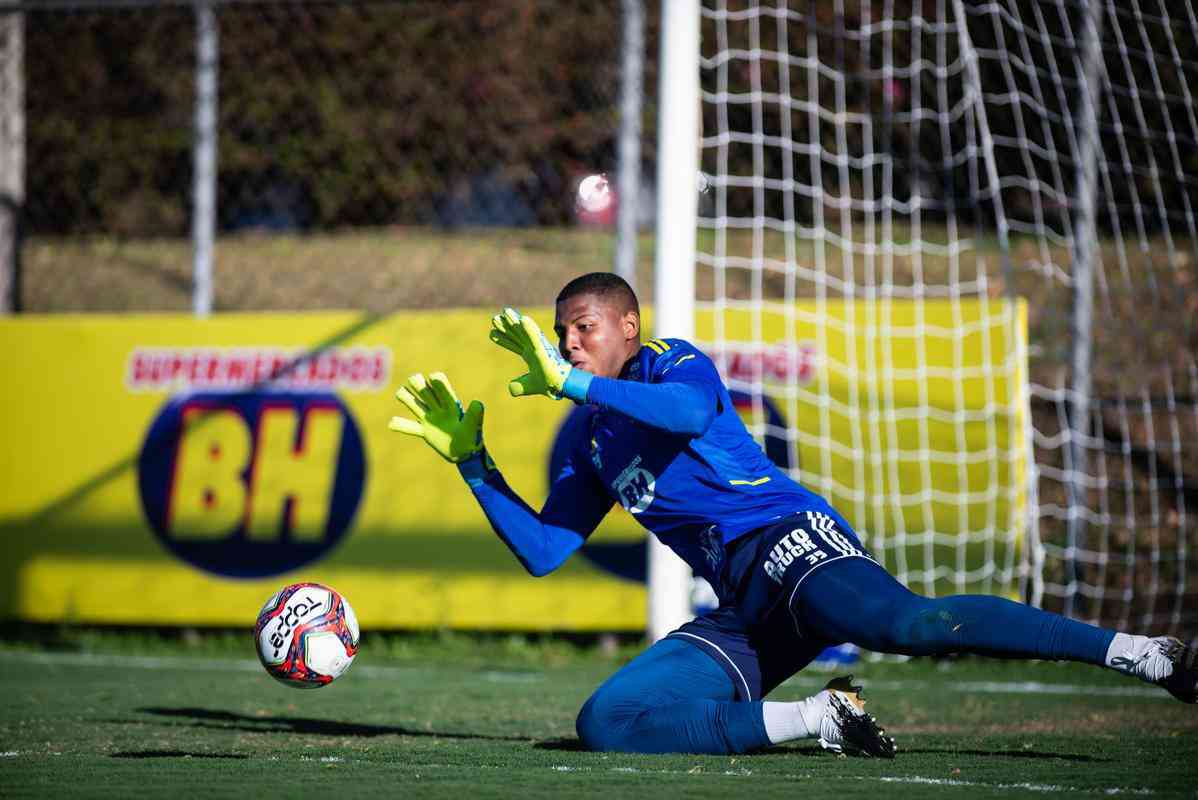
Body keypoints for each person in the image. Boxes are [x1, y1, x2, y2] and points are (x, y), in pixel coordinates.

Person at [387, 272, 1196, 757]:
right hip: (747, 607)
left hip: (793, 546)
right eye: (562, 335)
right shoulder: (595, 437)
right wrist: (473, 464)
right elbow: (545, 548)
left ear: (627, 327)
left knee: (907, 628)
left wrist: (574, 385)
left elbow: (687, 415)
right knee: (608, 720)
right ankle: (821, 718)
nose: (568, 344)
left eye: (583, 329)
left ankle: (1141, 654)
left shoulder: (671, 361)